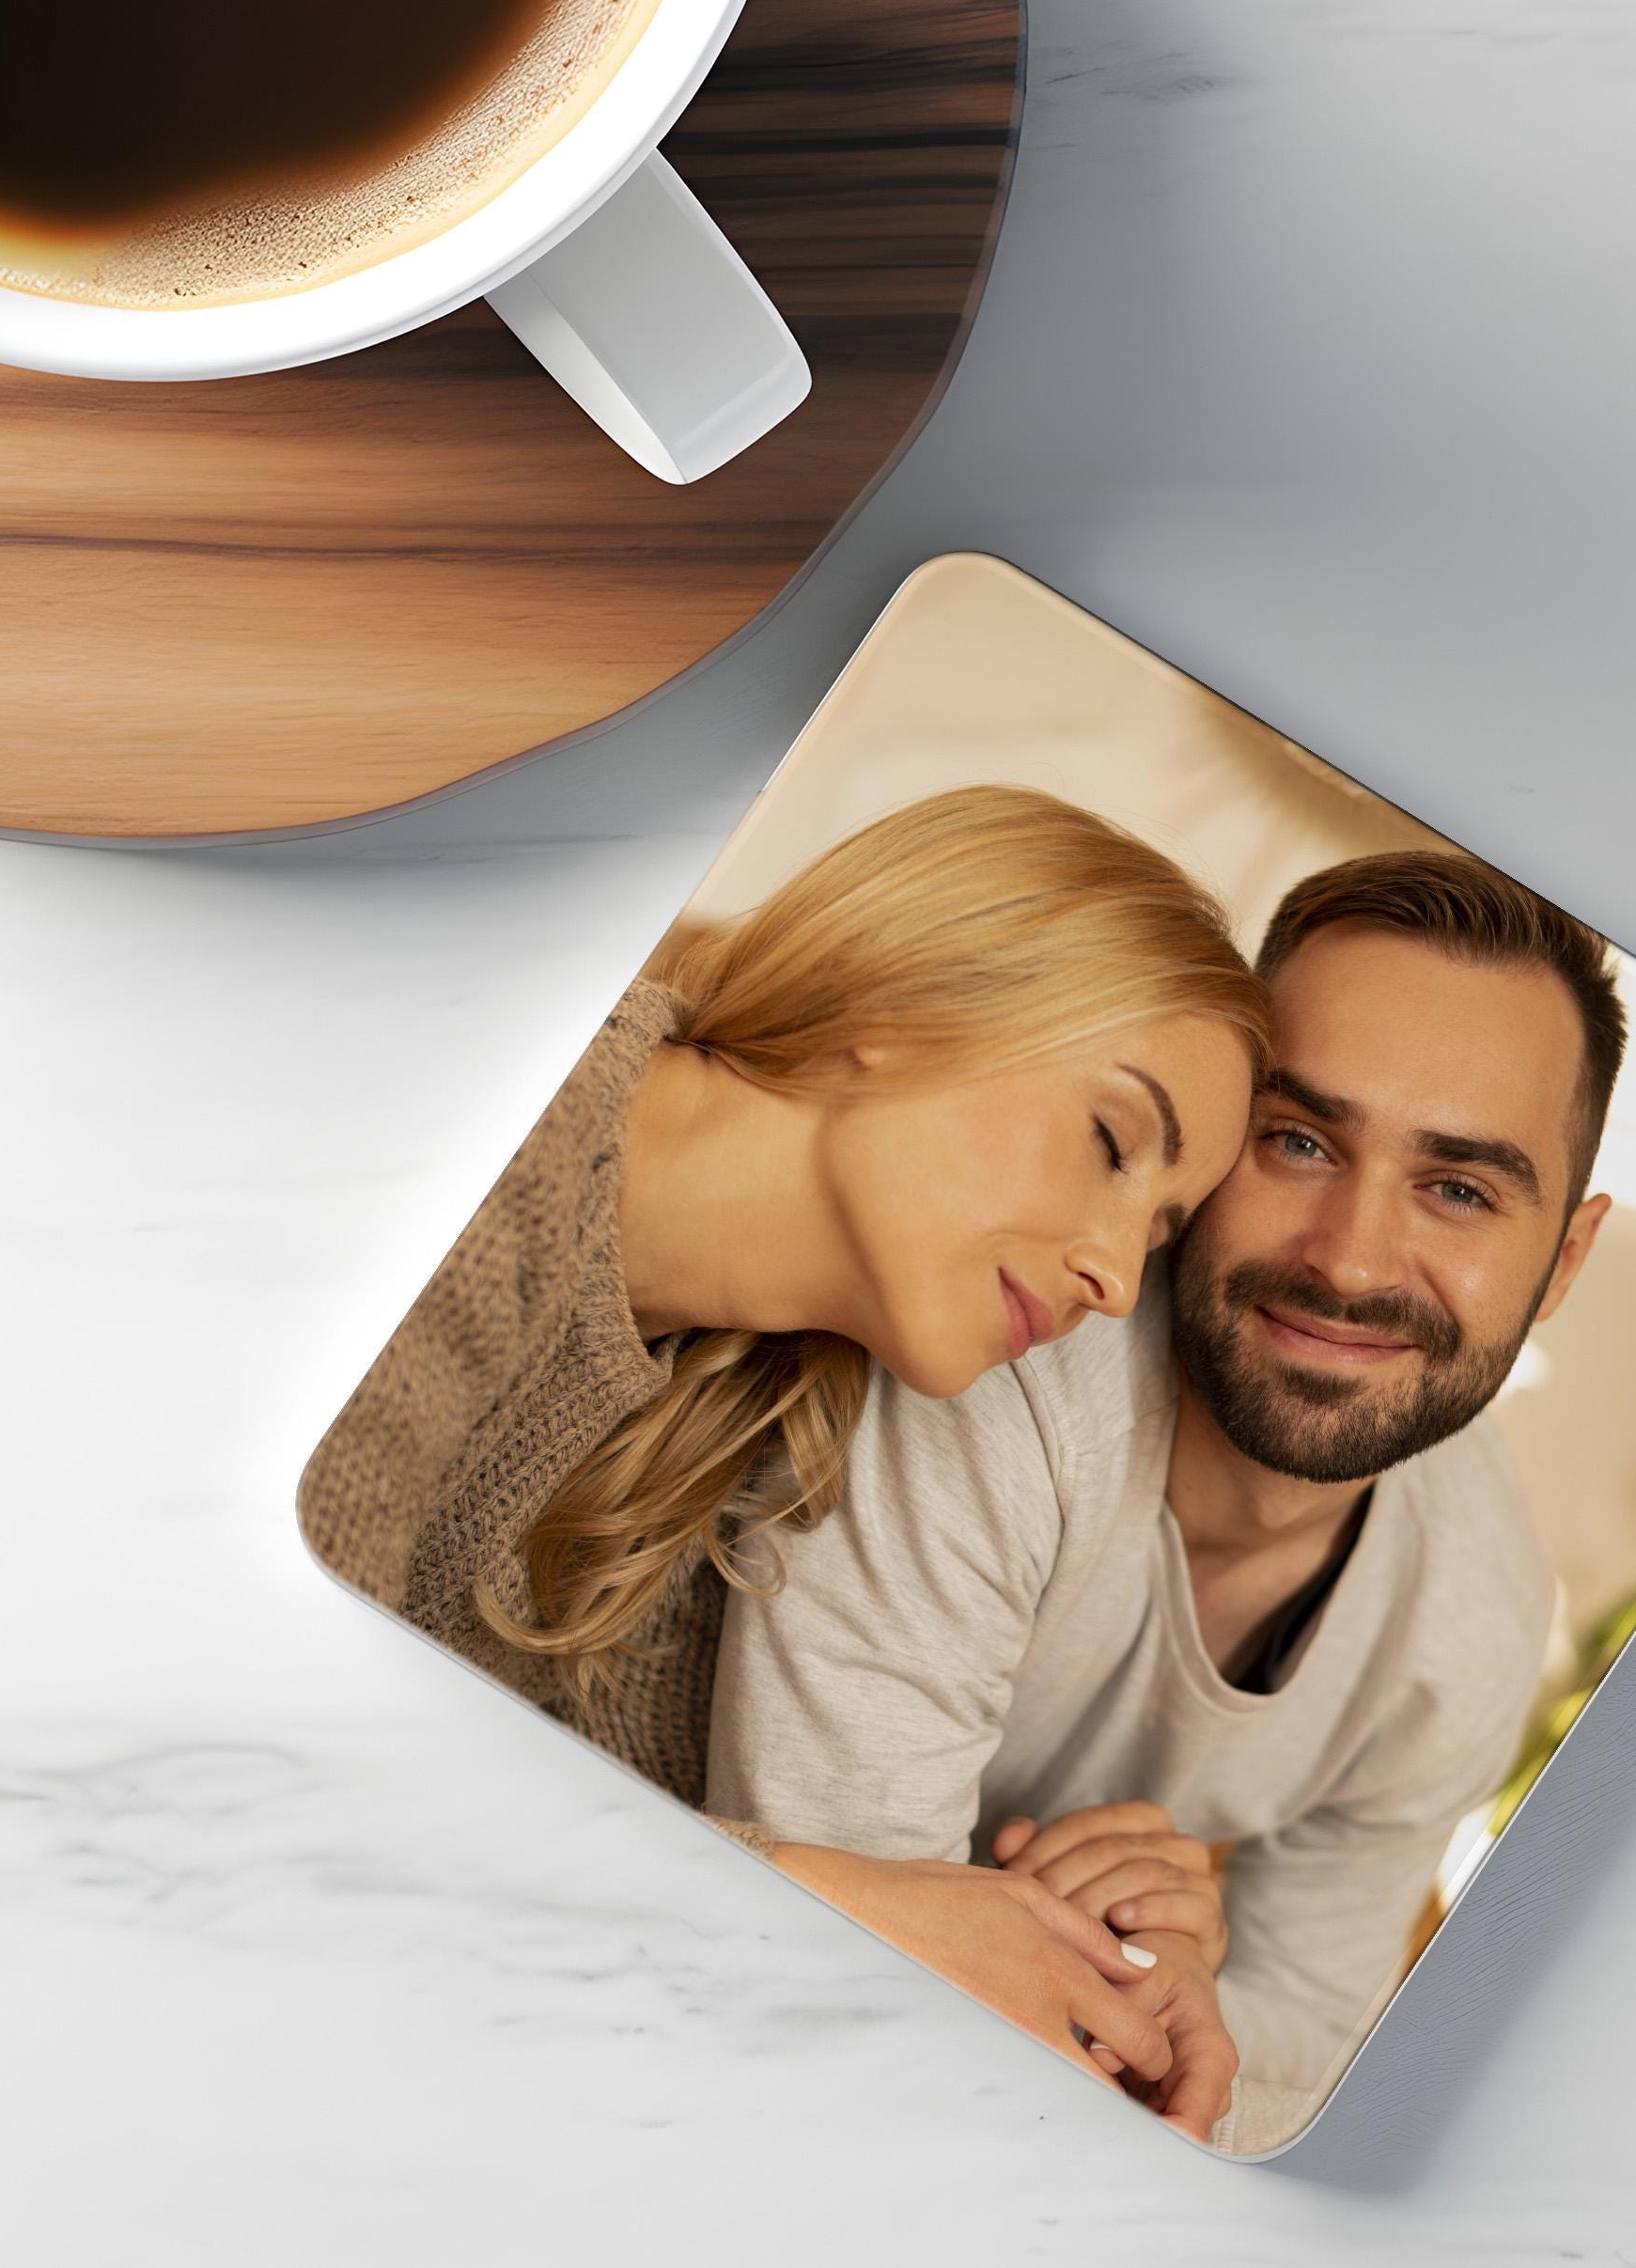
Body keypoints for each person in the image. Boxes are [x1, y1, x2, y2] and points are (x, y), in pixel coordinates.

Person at [295, 783, 1270, 2106]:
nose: (1111, 1278)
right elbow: (247, 1762)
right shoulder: (478, 1120)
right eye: (1110, 1140)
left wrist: (1108, 1936)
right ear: (900, 1000)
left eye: (1157, 1233)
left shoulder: (755, 1416)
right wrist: (831, 1910)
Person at [707, 849, 1628, 2151]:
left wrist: (1176, 1987)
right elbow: (846, 1967)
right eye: (1298, 1141)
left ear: (1567, 1257)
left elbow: (1306, 2053)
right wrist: (1144, 1994)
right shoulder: (1004, 1365)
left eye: (1458, 1189)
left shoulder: (1474, 1614)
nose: (1351, 1258)